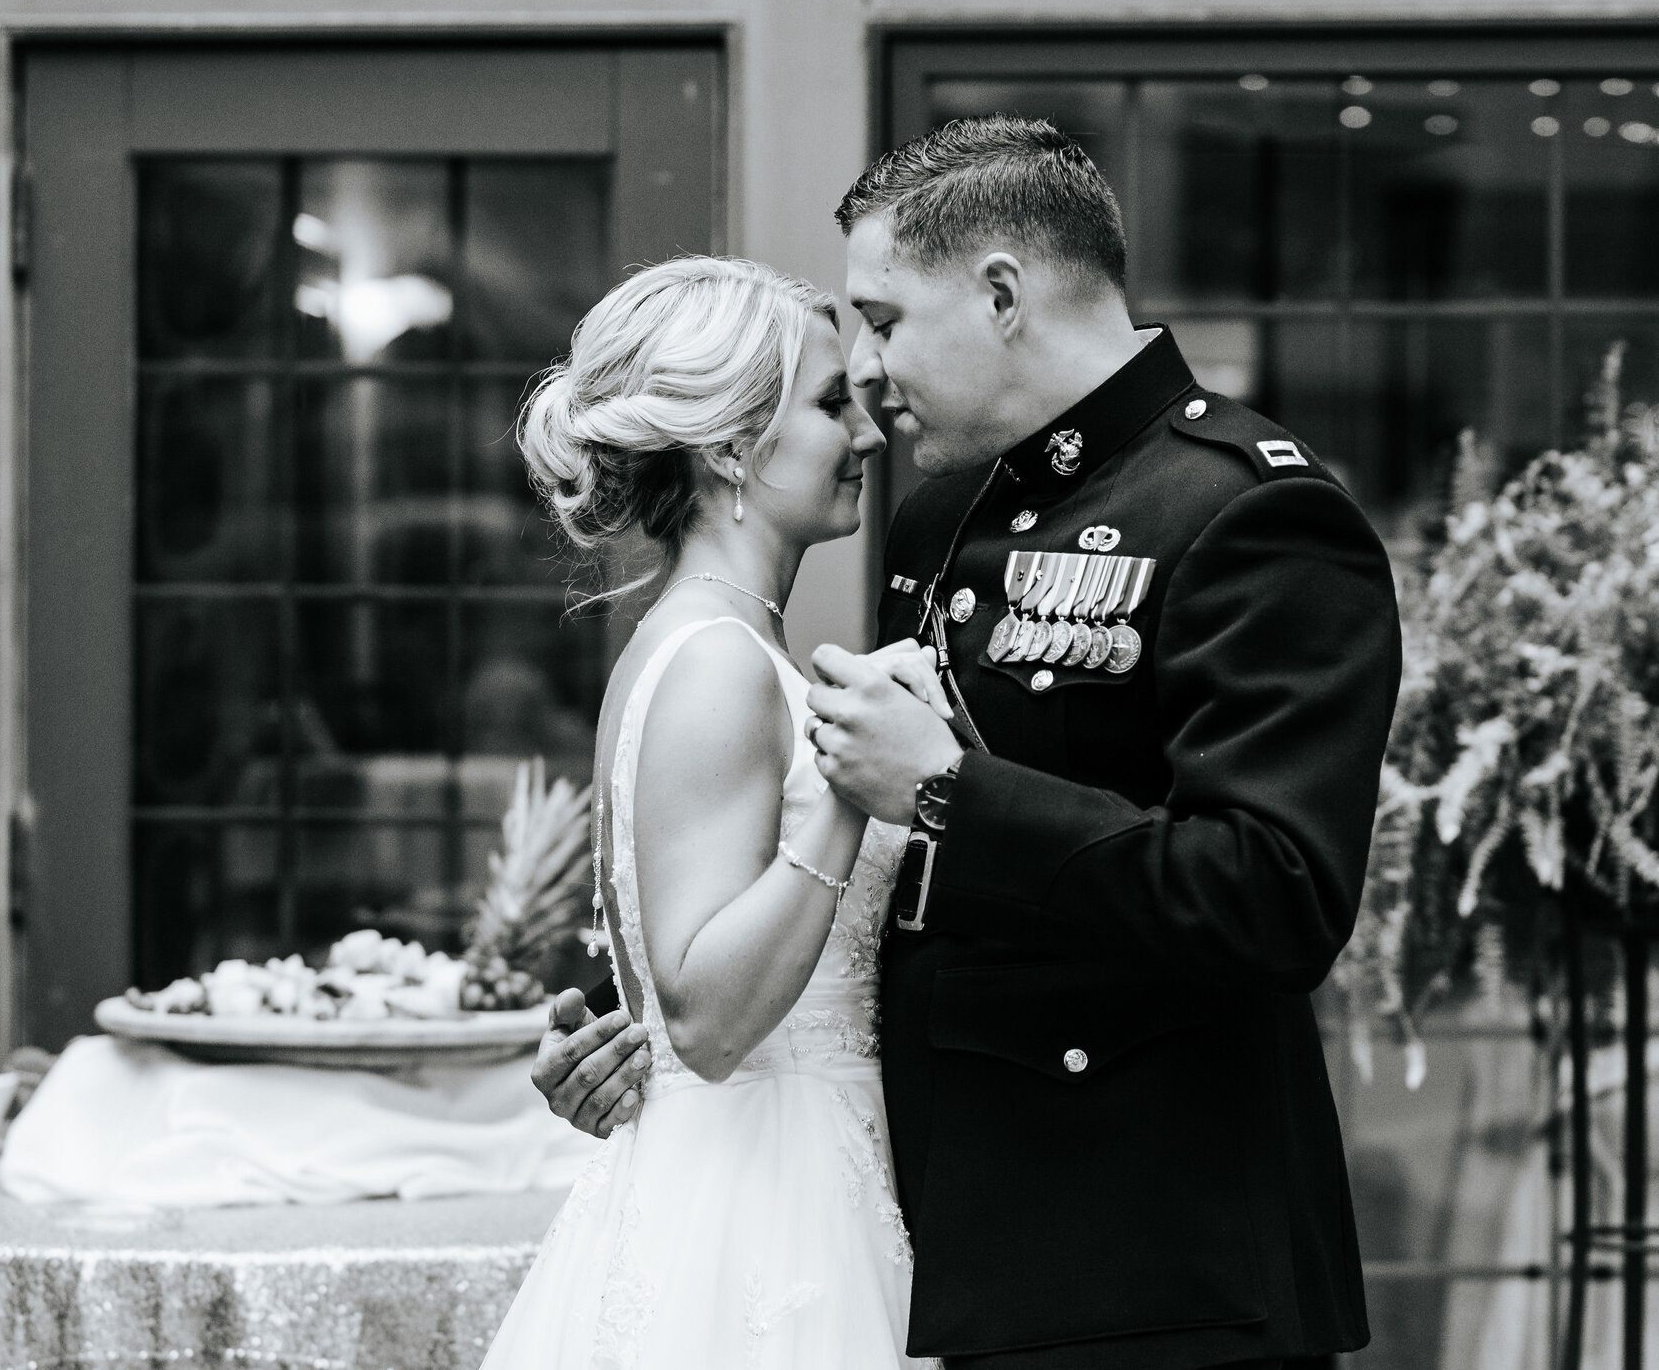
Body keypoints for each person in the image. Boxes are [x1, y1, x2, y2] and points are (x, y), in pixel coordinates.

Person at [535, 117, 1403, 1370]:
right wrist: (653, 1046)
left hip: (1156, 1264)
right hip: (935, 1246)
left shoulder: (1246, 512)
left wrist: (951, 789)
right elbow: (886, 908)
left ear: (999, 293)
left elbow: (1276, 897)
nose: (873, 379)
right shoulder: (943, 516)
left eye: (883, 322)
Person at [479, 255, 941, 1370]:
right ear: (732, 447)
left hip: (801, 1162)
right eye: (832, 404)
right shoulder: (718, 663)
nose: (867, 433)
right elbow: (707, 1017)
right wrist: (849, 784)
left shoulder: (717, 644)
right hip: (759, 1198)